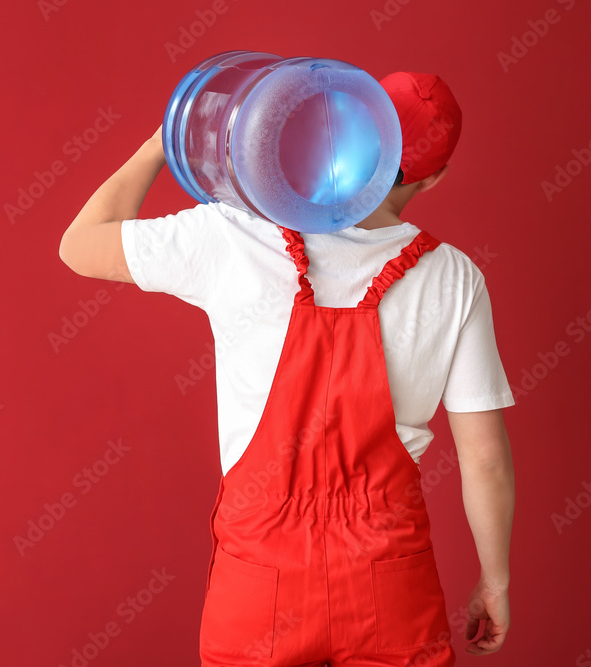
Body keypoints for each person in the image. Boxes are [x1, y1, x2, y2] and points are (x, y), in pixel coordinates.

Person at [59, 70, 515, 666]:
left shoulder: (236, 234)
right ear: (434, 176)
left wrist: (164, 142)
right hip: (387, 580)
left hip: (260, 584)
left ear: (341, 131)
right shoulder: (455, 277)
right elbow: (484, 458)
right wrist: (495, 582)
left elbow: (80, 245)